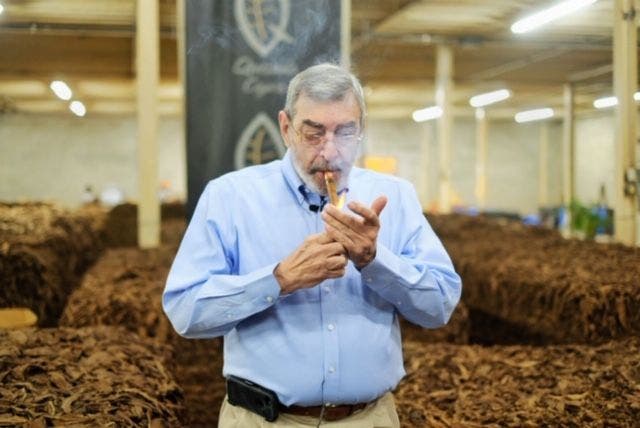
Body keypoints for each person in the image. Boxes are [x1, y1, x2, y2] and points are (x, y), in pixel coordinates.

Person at [163, 63, 461, 427]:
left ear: (361, 129)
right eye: (314, 133)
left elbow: (439, 306)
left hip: (369, 419)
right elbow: (185, 311)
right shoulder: (230, 197)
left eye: (345, 132)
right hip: (262, 421)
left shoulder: (395, 196)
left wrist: (374, 260)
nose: (330, 151)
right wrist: (280, 280)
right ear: (286, 128)